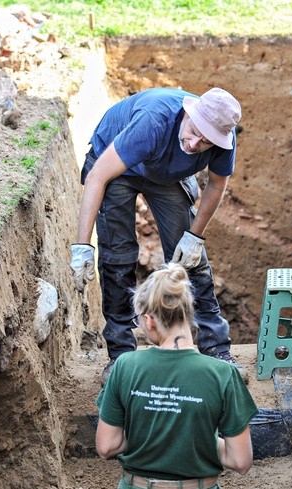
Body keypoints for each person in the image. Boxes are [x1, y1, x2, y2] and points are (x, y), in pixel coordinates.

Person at [69, 86, 247, 384]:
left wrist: (195, 236)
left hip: (164, 172)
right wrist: (82, 245)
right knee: (118, 255)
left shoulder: (222, 139)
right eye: (192, 132)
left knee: (191, 258)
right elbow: (98, 176)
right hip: (115, 167)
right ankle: (121, 356)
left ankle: (217, 349)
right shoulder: (154, 121)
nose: (194, 144)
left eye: (205, 142)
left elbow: (216, 185)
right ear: (187, 115)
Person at [95, 262, 258, 489]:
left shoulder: (125, 366)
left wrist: (146, 435)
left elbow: (107, 445)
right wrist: (193, 440)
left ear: (151, 319)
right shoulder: (222, 375)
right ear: (187, 314)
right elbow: (240, 460)